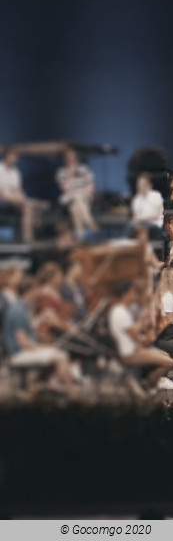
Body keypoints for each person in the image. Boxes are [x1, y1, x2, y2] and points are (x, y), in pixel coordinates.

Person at [2, 268, 78, 399]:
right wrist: (45, 347)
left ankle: (40, 387)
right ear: (30, 291)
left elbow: (28, 331)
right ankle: (72, 394)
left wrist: (41, 320)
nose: (39, 292)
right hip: (18, 354)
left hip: (21, 350)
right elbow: (23, 343)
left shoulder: (22, 307)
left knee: (57, 352)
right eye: (37, 290)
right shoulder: (18, 310)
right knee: (60, 356)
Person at [108, 280, 173, 392]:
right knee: (169, 362)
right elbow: (136, 336)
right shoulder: (120, 312)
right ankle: (147, 384)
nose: (134, 295)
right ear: (125, 294)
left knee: (165, 354)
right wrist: (144, 323)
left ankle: (153, 381)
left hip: (133, 349)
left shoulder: (120, 310)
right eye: (132, 292)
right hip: (129, 353)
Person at [56, 149, 97, 239]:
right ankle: (89, 222)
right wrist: (70, 174)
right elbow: (66, 189)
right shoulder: (61, 172)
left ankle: (80, 236)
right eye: (68, 158)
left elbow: (91, 184)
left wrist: (88, 190)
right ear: (65, 159)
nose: (71, 159)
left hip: (84, 194)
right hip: (69, 196)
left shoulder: (84, 169)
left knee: (77, 201)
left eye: (72, 157)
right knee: (75, 205)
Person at [0, 148, 37, 243]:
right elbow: (1, 192)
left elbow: (18, 190)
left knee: (28, 207)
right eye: (12, 156)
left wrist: (25, 199)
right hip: (3, 198)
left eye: (15, 157)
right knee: (26, 204)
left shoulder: (15, 172)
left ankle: (27, 237)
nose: (14, 159)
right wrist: (19, 200)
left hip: (13, 199)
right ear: (6, 156)